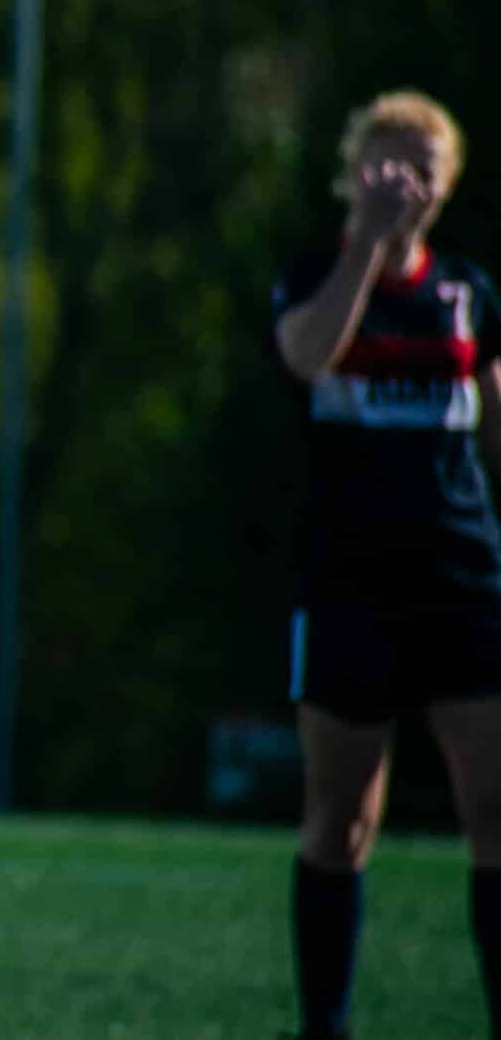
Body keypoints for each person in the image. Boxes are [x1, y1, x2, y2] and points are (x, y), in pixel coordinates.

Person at [271, 90, 501, 1040]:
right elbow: (307, 355)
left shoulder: (470, 293)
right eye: (384, 160)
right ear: (352, 168)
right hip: (351, 583)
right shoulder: (313, 274)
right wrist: (367, 245)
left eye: (421, 165)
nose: (401, 179)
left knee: (493, 809)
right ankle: (325, 1025)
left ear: (447, 184)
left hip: (463, 577)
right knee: (340, 819)